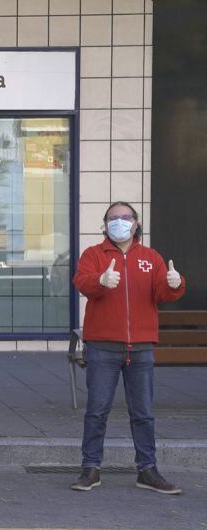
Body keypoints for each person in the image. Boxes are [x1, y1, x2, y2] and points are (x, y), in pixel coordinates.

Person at [70, 202, 186, 495]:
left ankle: (147, 470)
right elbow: (82, 283)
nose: (119, 222)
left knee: (143, 413)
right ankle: (90, 469)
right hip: (103, 347)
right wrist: (100, 280)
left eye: (125, 217)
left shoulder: (150, 257)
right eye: (112, 218)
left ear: (136, 223)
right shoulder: (94, 255)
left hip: (141, 348)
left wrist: (175, 283)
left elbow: (163, 292)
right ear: (105, 225)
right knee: (97, 410)